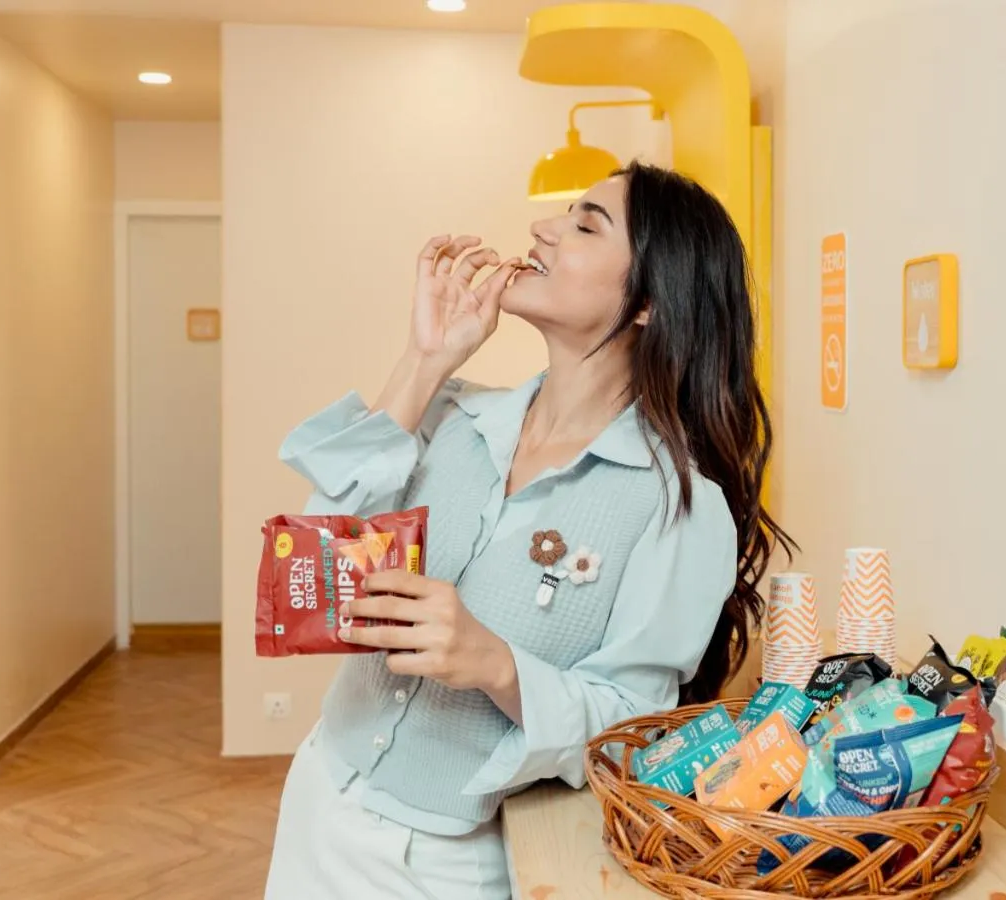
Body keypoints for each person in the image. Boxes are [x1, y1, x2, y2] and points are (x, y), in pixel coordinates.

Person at [264, 161, 793, 900]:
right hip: (319, 801)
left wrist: (494, 662)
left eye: (585, 224)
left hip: (448, 866)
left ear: (647, 300)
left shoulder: (676, 507)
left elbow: (631, 725)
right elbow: (308, 571)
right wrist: (427, 358)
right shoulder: (448, 415)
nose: (543, 228)